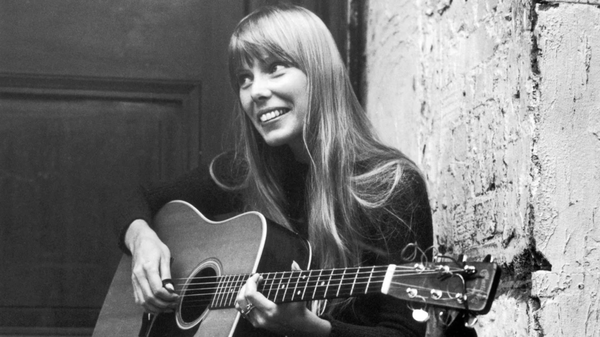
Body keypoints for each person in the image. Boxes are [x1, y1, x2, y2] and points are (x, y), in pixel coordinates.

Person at [117, 4, 473, 337]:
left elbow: (402, 334)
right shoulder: (243, 174)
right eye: (244, 78)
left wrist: (311, 328)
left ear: (319, 73)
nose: (256, 91)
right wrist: (142, 240)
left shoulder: (389, 185)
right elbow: (134, 198)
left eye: (274, 68)